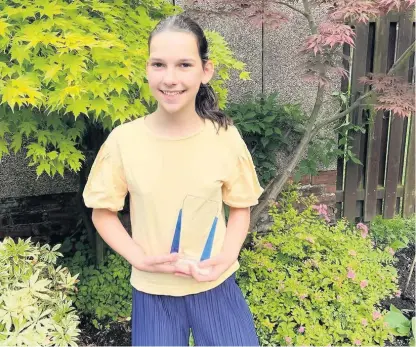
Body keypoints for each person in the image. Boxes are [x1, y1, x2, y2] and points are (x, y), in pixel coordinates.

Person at [83, 14, 264, 347]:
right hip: (154, 293)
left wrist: (225, 258)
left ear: (205, 70)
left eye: (184, 64)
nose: (169, 78)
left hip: (216, 286)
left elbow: (241, 207)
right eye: (158, 64)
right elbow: (102, 212)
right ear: (147, 69)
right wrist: (137, 258)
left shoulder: (225, 138)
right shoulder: (124, 141)